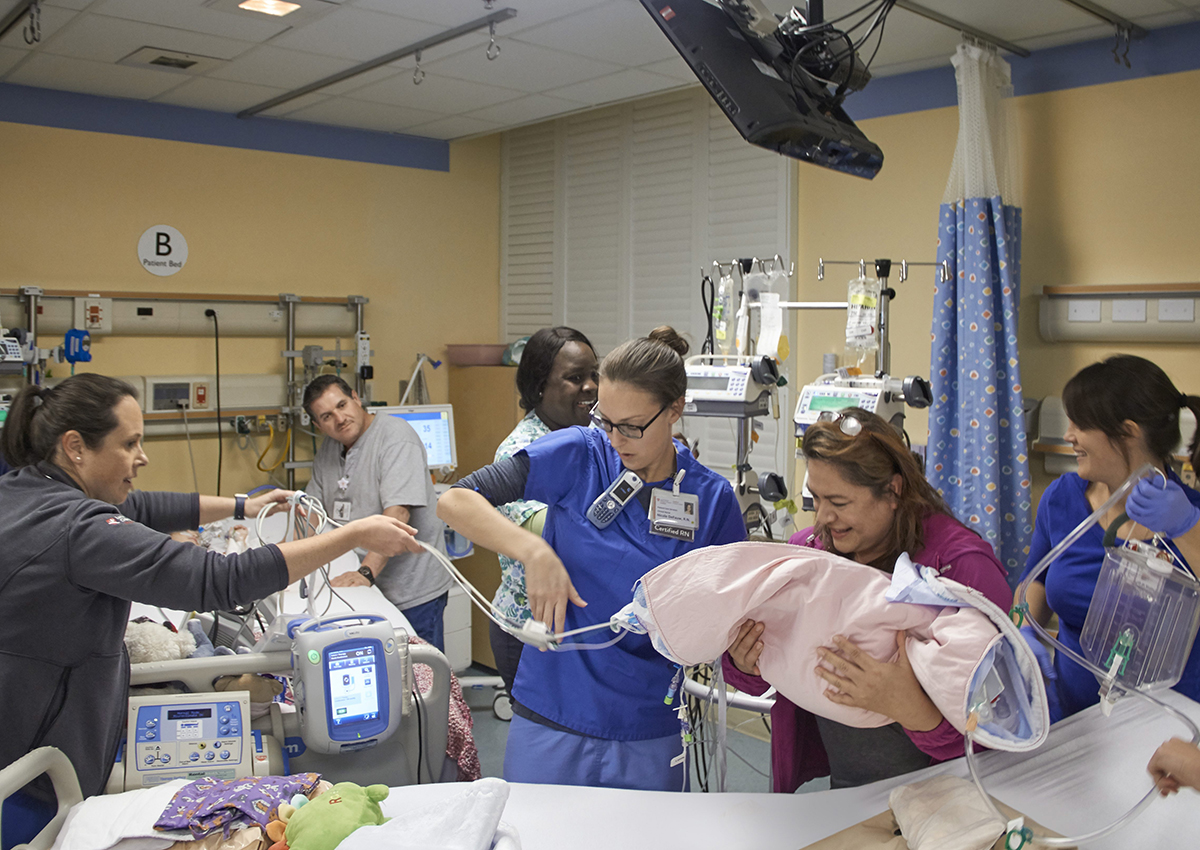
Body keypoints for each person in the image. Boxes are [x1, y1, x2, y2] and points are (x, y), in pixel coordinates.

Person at [0, 374, 420, 817]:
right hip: (31, 765)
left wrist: (243, 506)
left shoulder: (26, 492)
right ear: (75, 446)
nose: (141, 458)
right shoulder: (77, 530)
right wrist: (350, 536)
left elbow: (145, 507)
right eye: (129, 444)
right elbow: (219, 579)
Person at [439, 326, 745, 791]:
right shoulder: (581, 454)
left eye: (633, 427)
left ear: (675, 410)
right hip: (553, 710)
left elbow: (737, 608)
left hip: (648, 725)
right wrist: (534, 551)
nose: (617, 440)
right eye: (606, 420)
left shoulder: (711, 499)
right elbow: (456, 501)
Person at [724, 408, 1012, 791]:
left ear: (892, 491)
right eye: (815, 498)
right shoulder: (810, 554)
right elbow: (763, 679)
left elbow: (997, 722)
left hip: (944, 789)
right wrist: (745, 662)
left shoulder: (963, 571)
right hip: (847, 785)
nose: (823, 517)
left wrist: (913, 709)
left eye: (839, 502)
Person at [1017, 356, 1200, 722]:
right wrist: (1021, 631)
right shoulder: (1063, 499)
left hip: (1167, 737)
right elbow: (1033, 580)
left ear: (1128, 431)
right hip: (1071, 723)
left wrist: (1187, 528)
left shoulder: (1188, 516)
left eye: (1080, 425)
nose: (1068, 435)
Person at [302, 375, 453, 651]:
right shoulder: (330, 449)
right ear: (318, 425)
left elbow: (397, 516)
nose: (339, 418)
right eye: (327, 416)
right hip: (362, 589)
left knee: (421, 684)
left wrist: (366, 573)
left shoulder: (395, 438)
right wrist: (296, 562)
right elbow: (313, 512)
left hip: (409, 592)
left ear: (357, 398)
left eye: (343, 405)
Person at [489, 326, 598, 697]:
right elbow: (546, 529)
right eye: (574, 378)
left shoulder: (597, 436)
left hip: (579, 626)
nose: (590, 387)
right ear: (539, 387)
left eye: (594, 375)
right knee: (545, 747)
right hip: (529, 630)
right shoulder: (520, 452)